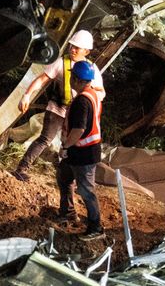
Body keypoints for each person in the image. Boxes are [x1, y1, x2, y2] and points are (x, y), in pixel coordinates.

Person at [13, 29, 105, 181]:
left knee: (71, 146)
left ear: (87, 51)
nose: (72, 49)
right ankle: (21, 169)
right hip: (57, 108)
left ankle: (67, 180)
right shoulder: (61, 62)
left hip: (75, 113)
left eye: (77, 47)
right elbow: (42, 79)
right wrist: (27, 95)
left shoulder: (91, 69)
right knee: (44, 139)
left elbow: (101, 92)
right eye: (71, 46)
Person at [57, 60, 104, 240]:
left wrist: (65, 147)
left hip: (83, 153)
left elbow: (79, 129)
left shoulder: (82, 101)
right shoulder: (92, 94)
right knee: (64, 176)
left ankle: (96, 227)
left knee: (86, 190)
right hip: (81, 152)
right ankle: (67, 213)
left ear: (75, 79)